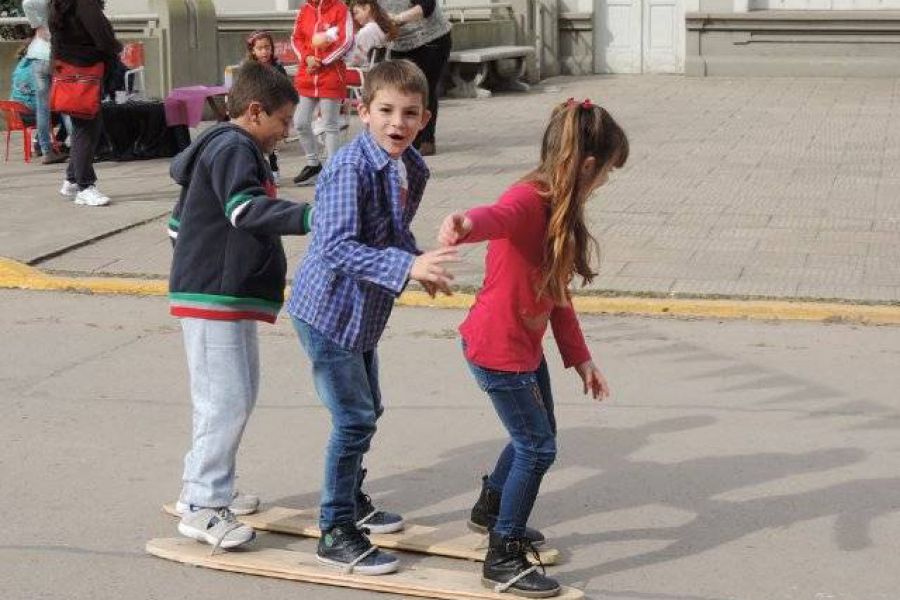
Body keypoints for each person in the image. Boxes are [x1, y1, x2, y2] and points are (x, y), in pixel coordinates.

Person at [437, 98, 629, 597]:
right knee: (537, 446)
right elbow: (494, 217)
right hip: (497, 349)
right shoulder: (529, 201)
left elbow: (558, 296)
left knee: (536, 436)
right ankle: (502, 554)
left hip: (523, 346)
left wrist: (581, 358)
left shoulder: (558, 210)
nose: (605, 183)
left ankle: (490, 508)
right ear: (586, 165)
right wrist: (464, 224)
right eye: (606, 172)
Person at [287, 59, 458, 574]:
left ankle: (352, 497)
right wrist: (406, 265)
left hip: (361, 312)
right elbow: (335, 246)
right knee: (354, 417)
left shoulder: (412, 167)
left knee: (370, 409)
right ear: (361, 111)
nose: (396, 123)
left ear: (424, 117)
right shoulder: (349, 167)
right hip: (327, 311)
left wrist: (417, 263)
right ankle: (335, 528)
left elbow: (388, 231)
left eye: (409, 113)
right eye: (385, 111)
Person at [167, 61, 314, 550]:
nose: (286, 132)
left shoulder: (225, 145)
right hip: (213, 296)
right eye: (283, 120)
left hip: (220, 293)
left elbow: (178, 223)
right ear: (255, 111)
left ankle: (209, 486)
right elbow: (244, 209)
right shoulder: (234, 147)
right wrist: (313, 214)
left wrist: (201, 258)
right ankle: (202, 504)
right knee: (224, 399)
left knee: (236, 393)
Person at [49, 0, 121, 207]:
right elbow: (103, 38)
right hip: (85, 71)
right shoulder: (85, 3)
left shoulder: (60, 4)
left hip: (69, 70)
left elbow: (56, 39)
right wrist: (115, 51)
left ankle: (72, 180)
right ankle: (85, 186)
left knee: (87, 127)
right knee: (86, 130)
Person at [290, 0, 354, 186]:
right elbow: (296, 38)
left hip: (331, 76)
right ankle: (313, 163)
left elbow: (346, 41)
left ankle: (334, 169)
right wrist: (308, 57)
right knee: (300, 122)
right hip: (307, 75)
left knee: (330, 125)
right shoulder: (304, 11)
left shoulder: (341, 9)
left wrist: (323, 60)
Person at [379, 0, 451, 156]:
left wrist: (397, 19)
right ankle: (407, 137)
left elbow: (427, 6)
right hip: (400, 43)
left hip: (430, 39)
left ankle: (426, 140)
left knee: (424, 89)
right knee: (401, 93)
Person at [23, 0, 68, 164]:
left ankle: (47, 150)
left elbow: (27, 3)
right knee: (66, 105)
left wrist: (37, 24)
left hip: (37, 55)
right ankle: (78, 148)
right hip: (57, 55)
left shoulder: (38, 3)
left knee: (42, 108)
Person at [244, 30, 289, 184]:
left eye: (267, 47)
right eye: (260, 48)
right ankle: (257, 170)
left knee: (271, 143)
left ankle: (274, 170)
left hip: (272, 109)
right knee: (255, 142)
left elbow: (285, 87)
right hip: (255, 111)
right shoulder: (249, 68)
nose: (264, 51)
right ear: (253, 51)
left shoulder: (277, 67)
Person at [347, 0, 396, 69]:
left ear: (367, 8)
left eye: (356, 13)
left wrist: (345, 63)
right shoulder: (382, 26)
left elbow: (357, 59)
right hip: (381, 69)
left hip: (366, 71)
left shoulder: (367, 31)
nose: (355, 18)